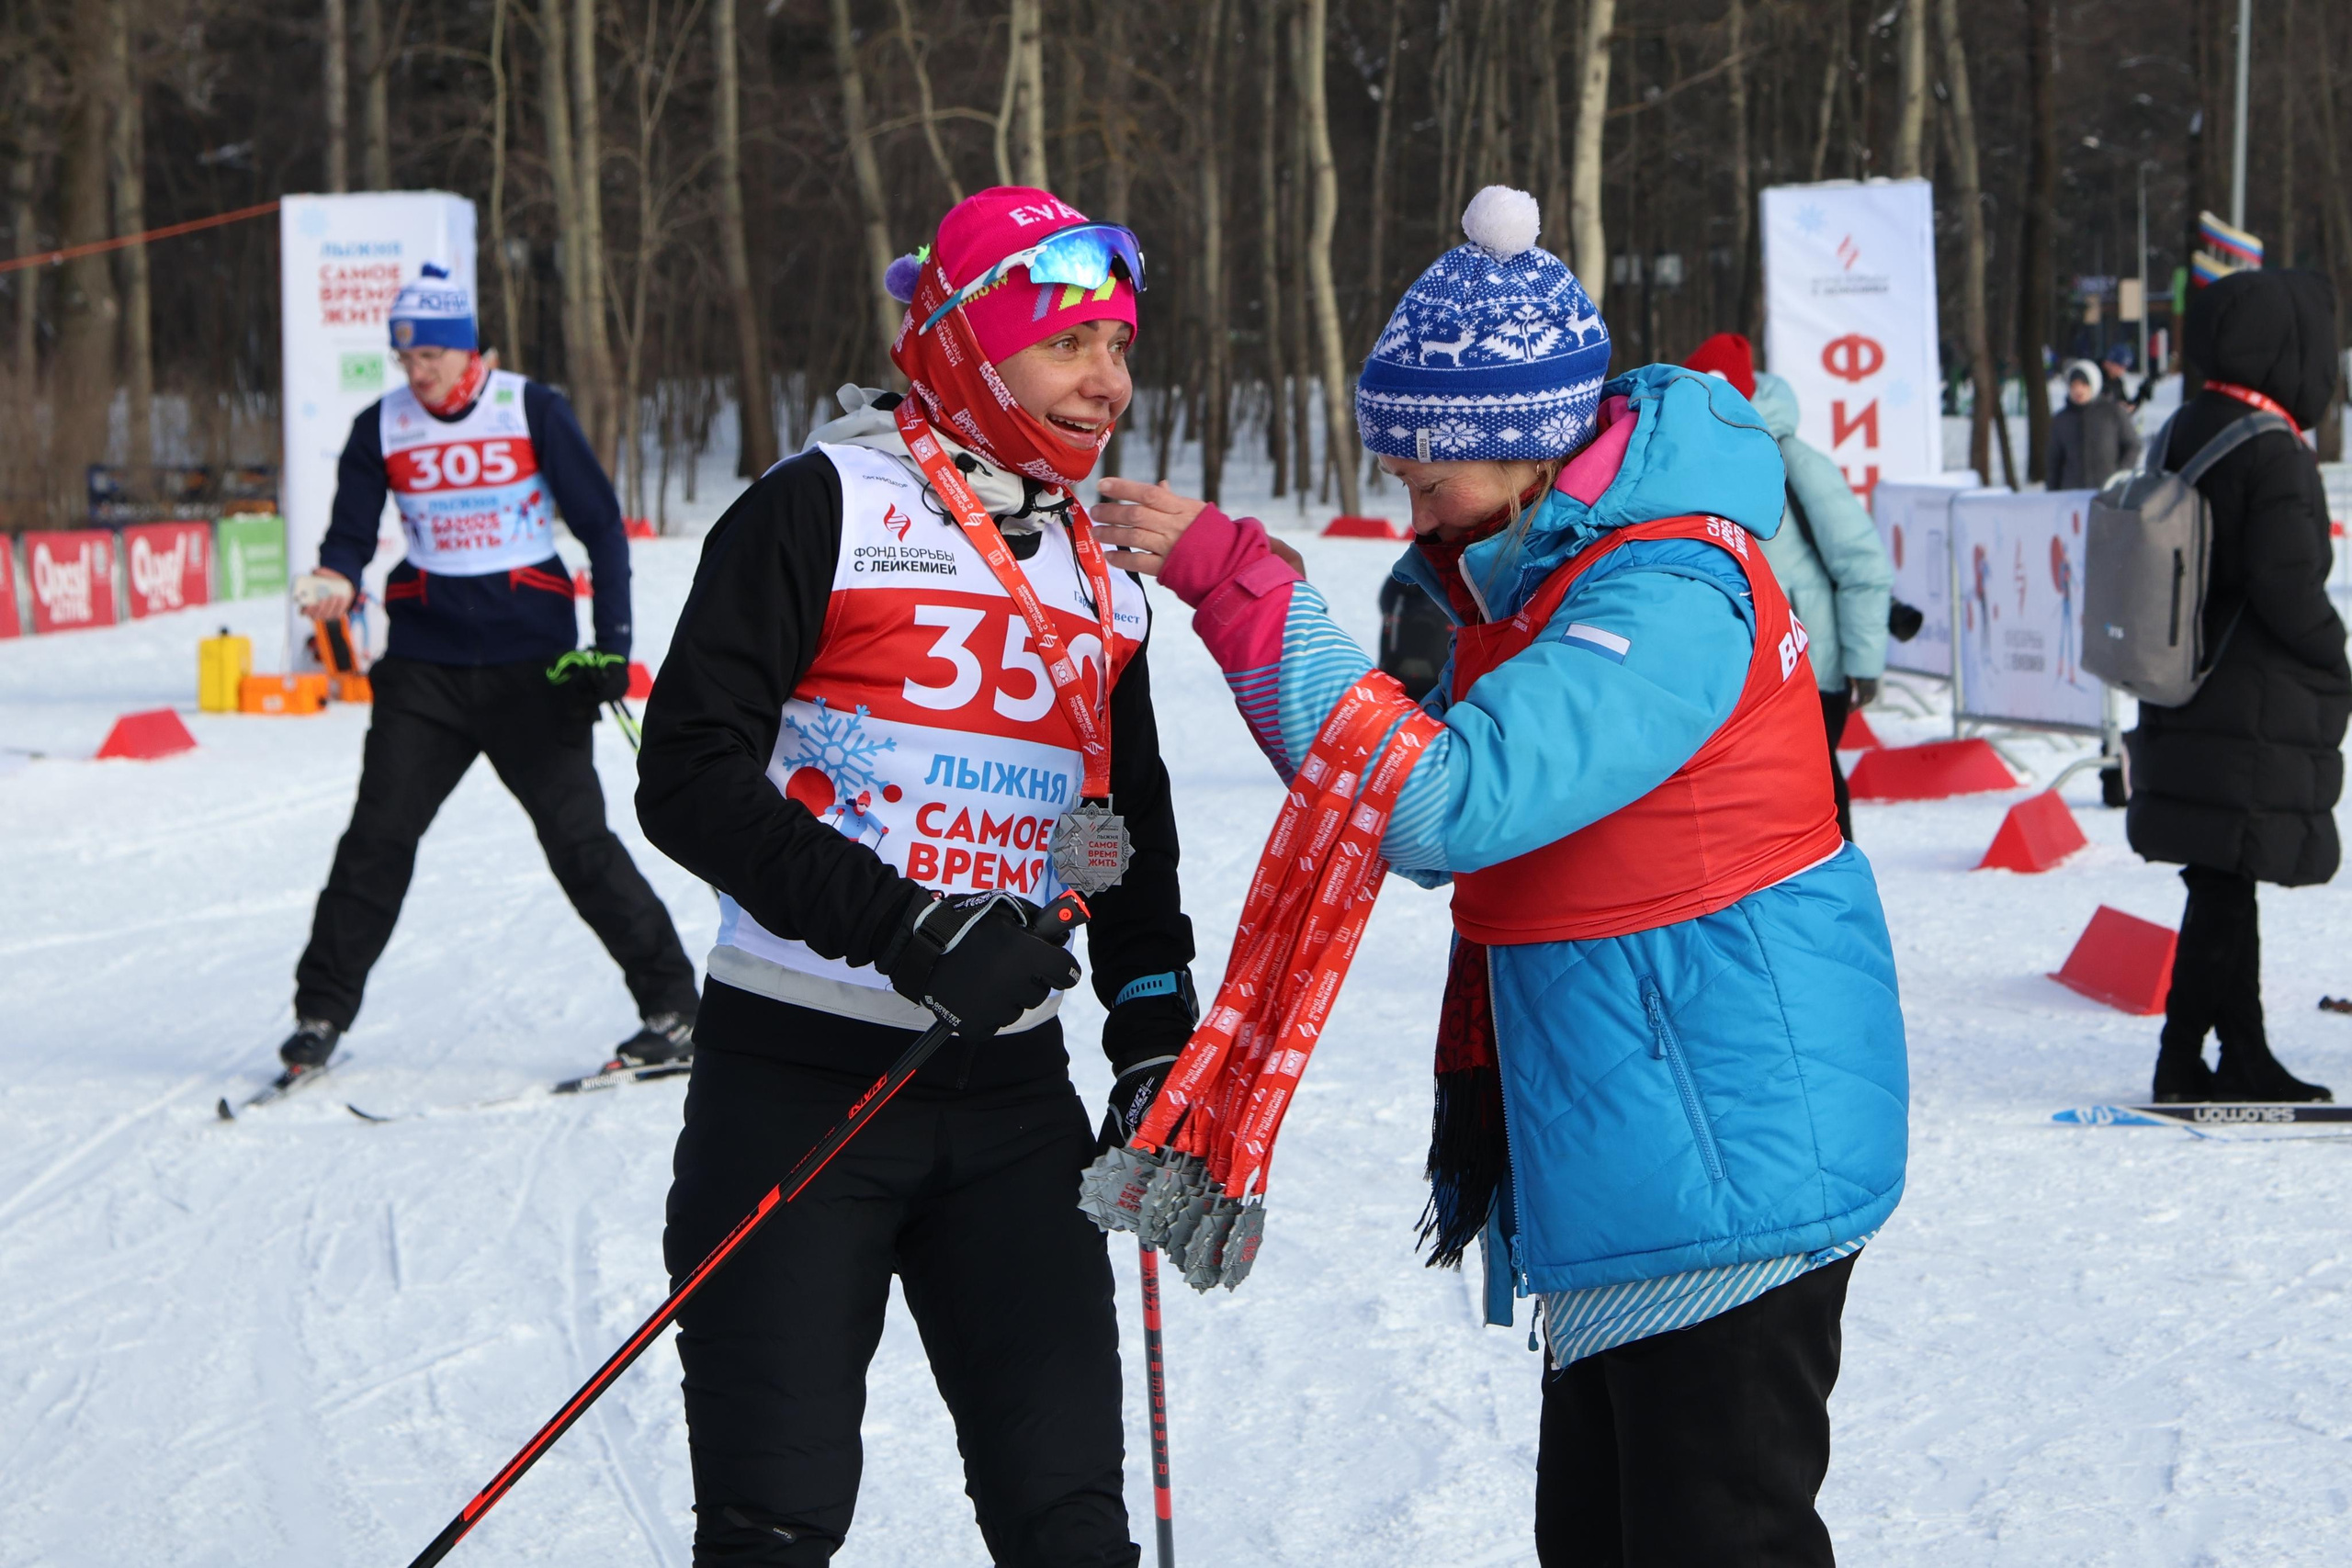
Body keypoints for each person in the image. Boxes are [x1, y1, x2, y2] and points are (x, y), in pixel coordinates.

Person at [1094, 186, 1907, 1567]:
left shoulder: (1664, 589)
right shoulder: (1556, 579)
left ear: (1523, 449)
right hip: (1644, 1160)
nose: (1407, 508)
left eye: (1424, 476)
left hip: (1724, 1163)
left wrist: (1245, 592)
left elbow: (1446, 803)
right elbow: (1458, 791)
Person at [636, 186, 1197, 1566]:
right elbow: (689, 774)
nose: (1107, 380)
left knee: (1070, 1523)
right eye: (1070, 342)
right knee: (775, 1523)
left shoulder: (1098, 562)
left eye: (1121, 349)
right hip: (800, 1087)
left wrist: (1152, 1032)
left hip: (1012, 1107)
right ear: (969, 342)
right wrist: (910, 925)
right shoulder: (820, 502)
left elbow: (1122, 827)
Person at [270, 265, 698, 1084]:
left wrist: (610, 644)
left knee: (578, 843)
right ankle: (319, 1014)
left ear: (466, 348)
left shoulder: (529, 408)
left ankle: (676, 1006)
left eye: (429, 352)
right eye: (404, 356)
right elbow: (349, 537)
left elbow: (604, 531)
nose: (416, 370)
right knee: (376, 839)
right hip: (425, 673)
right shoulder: (382, 425)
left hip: (532, 672)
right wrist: (333, 578)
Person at [2129, 268, 2347, 1104]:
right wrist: (2335, 658)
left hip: (2184, 686)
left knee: (2222, 878)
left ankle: (2219, 1050)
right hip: (2247, 700)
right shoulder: (2274, 448)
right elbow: (2288, 585)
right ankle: (2192, 1054)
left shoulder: (2184, 427)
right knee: (2225, 880)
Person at [1684, 333, 1893, 840]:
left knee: (1814, 792)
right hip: (1746, 666)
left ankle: (1835, 895)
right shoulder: (1696, 464)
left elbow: (1861, 562)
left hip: (1811, 664)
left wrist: (1863, 664)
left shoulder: (1793, 459)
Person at [2048, 359, 2143, 491]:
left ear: (2094, 384)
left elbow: (2133, 445)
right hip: (2071, 496)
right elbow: (2054, 461)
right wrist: (2052, 494)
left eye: (2083, 384)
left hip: (2107, 492)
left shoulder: (2113, 412)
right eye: (2073, 385)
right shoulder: (2061, 420)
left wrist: (2121, 476)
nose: (2078, 390)